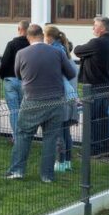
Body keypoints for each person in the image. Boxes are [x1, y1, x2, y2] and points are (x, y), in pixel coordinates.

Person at [8, 24, 75, 182]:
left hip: (32, 100)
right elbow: (71, 73)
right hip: (55, 101)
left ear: (28, 37)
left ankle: (17, 170)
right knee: (50, 138)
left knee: (24, 134)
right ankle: (47, 176)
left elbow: (18, 74)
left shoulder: (22, 53)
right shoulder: (57, 52)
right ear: (42, 35)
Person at [74, 16, 109, 156]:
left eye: (95, 25)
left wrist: (85, 56)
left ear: (102, 28)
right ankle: (104, 147)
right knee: (103, 117)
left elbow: (77, 50)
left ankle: (93, 149)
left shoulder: (97, 43)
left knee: (92, 118)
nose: (93, 27)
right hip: (106, 84)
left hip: (94, 86)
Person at [44, 25, 79, 170]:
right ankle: (67, 162)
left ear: (49, 37)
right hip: (70, 101)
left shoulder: (56, 57)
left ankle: (60, 163)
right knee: (66, 133)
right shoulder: (70, 61)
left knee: (58, 133)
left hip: (61, 100)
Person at [0, 20, 31, 138]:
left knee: (14, 110)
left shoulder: (11, 44)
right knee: (24, 110)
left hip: (11, 80)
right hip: (26, 81)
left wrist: (2, 75)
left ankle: (17, 137)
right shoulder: (31, 45)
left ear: (19, 29)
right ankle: (25, 136)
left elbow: (4, 62)